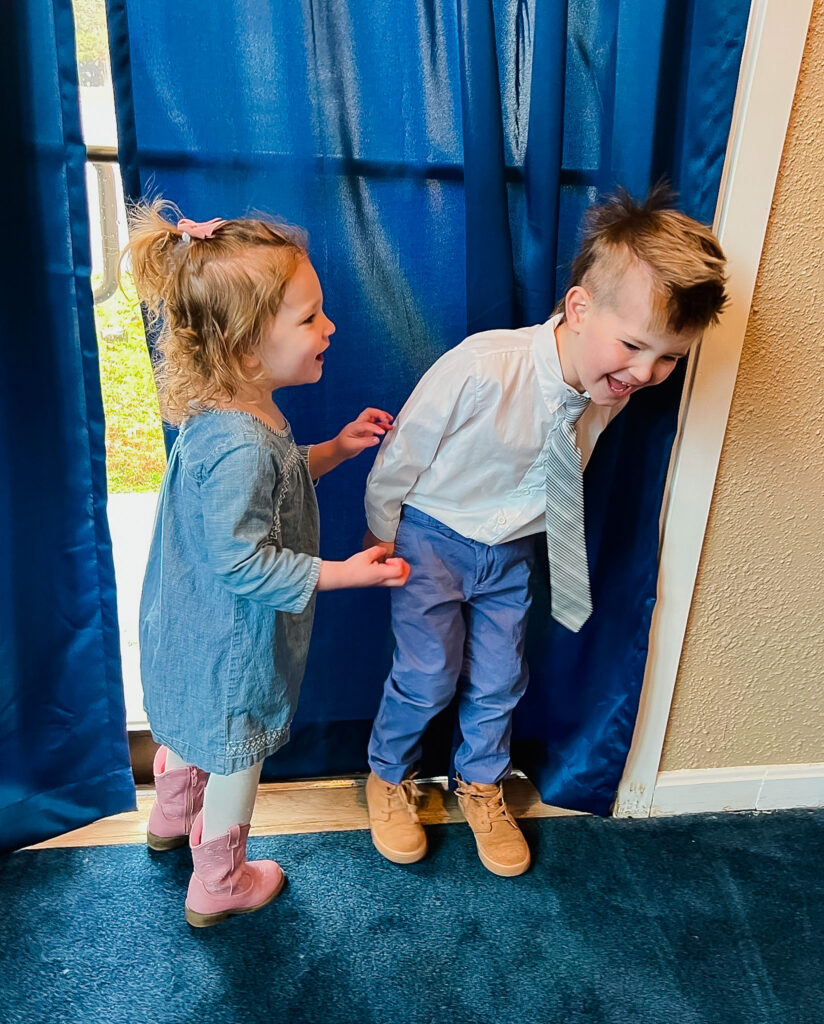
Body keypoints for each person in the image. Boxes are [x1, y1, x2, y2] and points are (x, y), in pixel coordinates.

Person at [362, 185, 727, 877]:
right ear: (580, 308)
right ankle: (387, 775)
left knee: (501, 677)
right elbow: (403, 452)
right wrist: (384, 533)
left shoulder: (609, 389)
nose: (647, 374)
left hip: (509, 553)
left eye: (669, 358)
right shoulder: (482, 367)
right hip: (431, 539)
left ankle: (480, 782)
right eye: (633, 346)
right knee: (429, 673)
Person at [126, 202, 409, 927]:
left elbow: (271, 495)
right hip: (230, 644)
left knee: (195, 729)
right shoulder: (244, 443)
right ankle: (218, 881)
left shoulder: (227, 418)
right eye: (311, 319)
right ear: (249, 346)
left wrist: (338, 448)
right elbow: (246, 559)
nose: (330, 329)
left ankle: (170, 818)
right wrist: (346, 572)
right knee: (236, 753)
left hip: (186, 631)